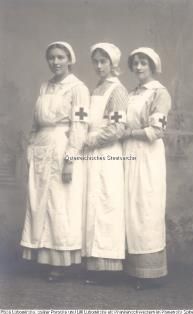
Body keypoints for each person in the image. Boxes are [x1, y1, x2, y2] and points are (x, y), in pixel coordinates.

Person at [20, 41, 90, 282]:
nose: (56, 62)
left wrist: (70, 159)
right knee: (39, 202)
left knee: (60, 204)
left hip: (62, 148)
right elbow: (35, 123)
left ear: (70, 59)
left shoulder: (78, 88)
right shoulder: (44, 86)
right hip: (41, 148)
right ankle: (43, 257)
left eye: (61, 57)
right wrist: (31, 148)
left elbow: (80, 125)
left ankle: (60, 262)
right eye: (51, 58)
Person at [123, 47, 171, 290]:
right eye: (136, 63)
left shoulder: (159, 93)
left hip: (148, 155)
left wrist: (128, 133)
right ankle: (131, 269)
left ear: (153, 66)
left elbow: (156, 131)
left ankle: (148, 272)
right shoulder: (131, 94)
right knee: (129, 207)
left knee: (146, 207)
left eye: (144, 63)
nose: (139, 67)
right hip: (128, 152)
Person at [83, 43, 128, 284]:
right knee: (93, 205)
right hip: (92, 155)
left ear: (113, 64)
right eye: (96, 61)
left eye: (104, 61)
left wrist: (92, 139)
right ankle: (94, 264)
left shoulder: (118, 91)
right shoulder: (96, 88)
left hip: (108, 154)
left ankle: (108, 268)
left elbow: (118, 128)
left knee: (107, 205)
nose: (99, 66)